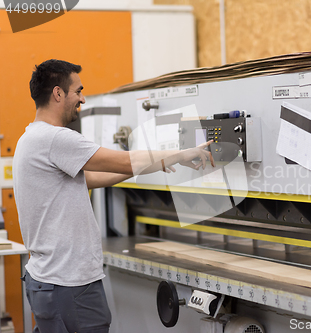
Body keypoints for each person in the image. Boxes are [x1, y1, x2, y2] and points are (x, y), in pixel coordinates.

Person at [12, 59, 214, 333]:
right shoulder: (56, 139)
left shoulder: (30, 138)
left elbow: (93, 177)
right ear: (58, 93)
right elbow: (121, 161)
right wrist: (180, 153)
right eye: (78, 91)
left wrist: (156, 163)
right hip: (68, 286)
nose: (82, 99)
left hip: (50, 280)